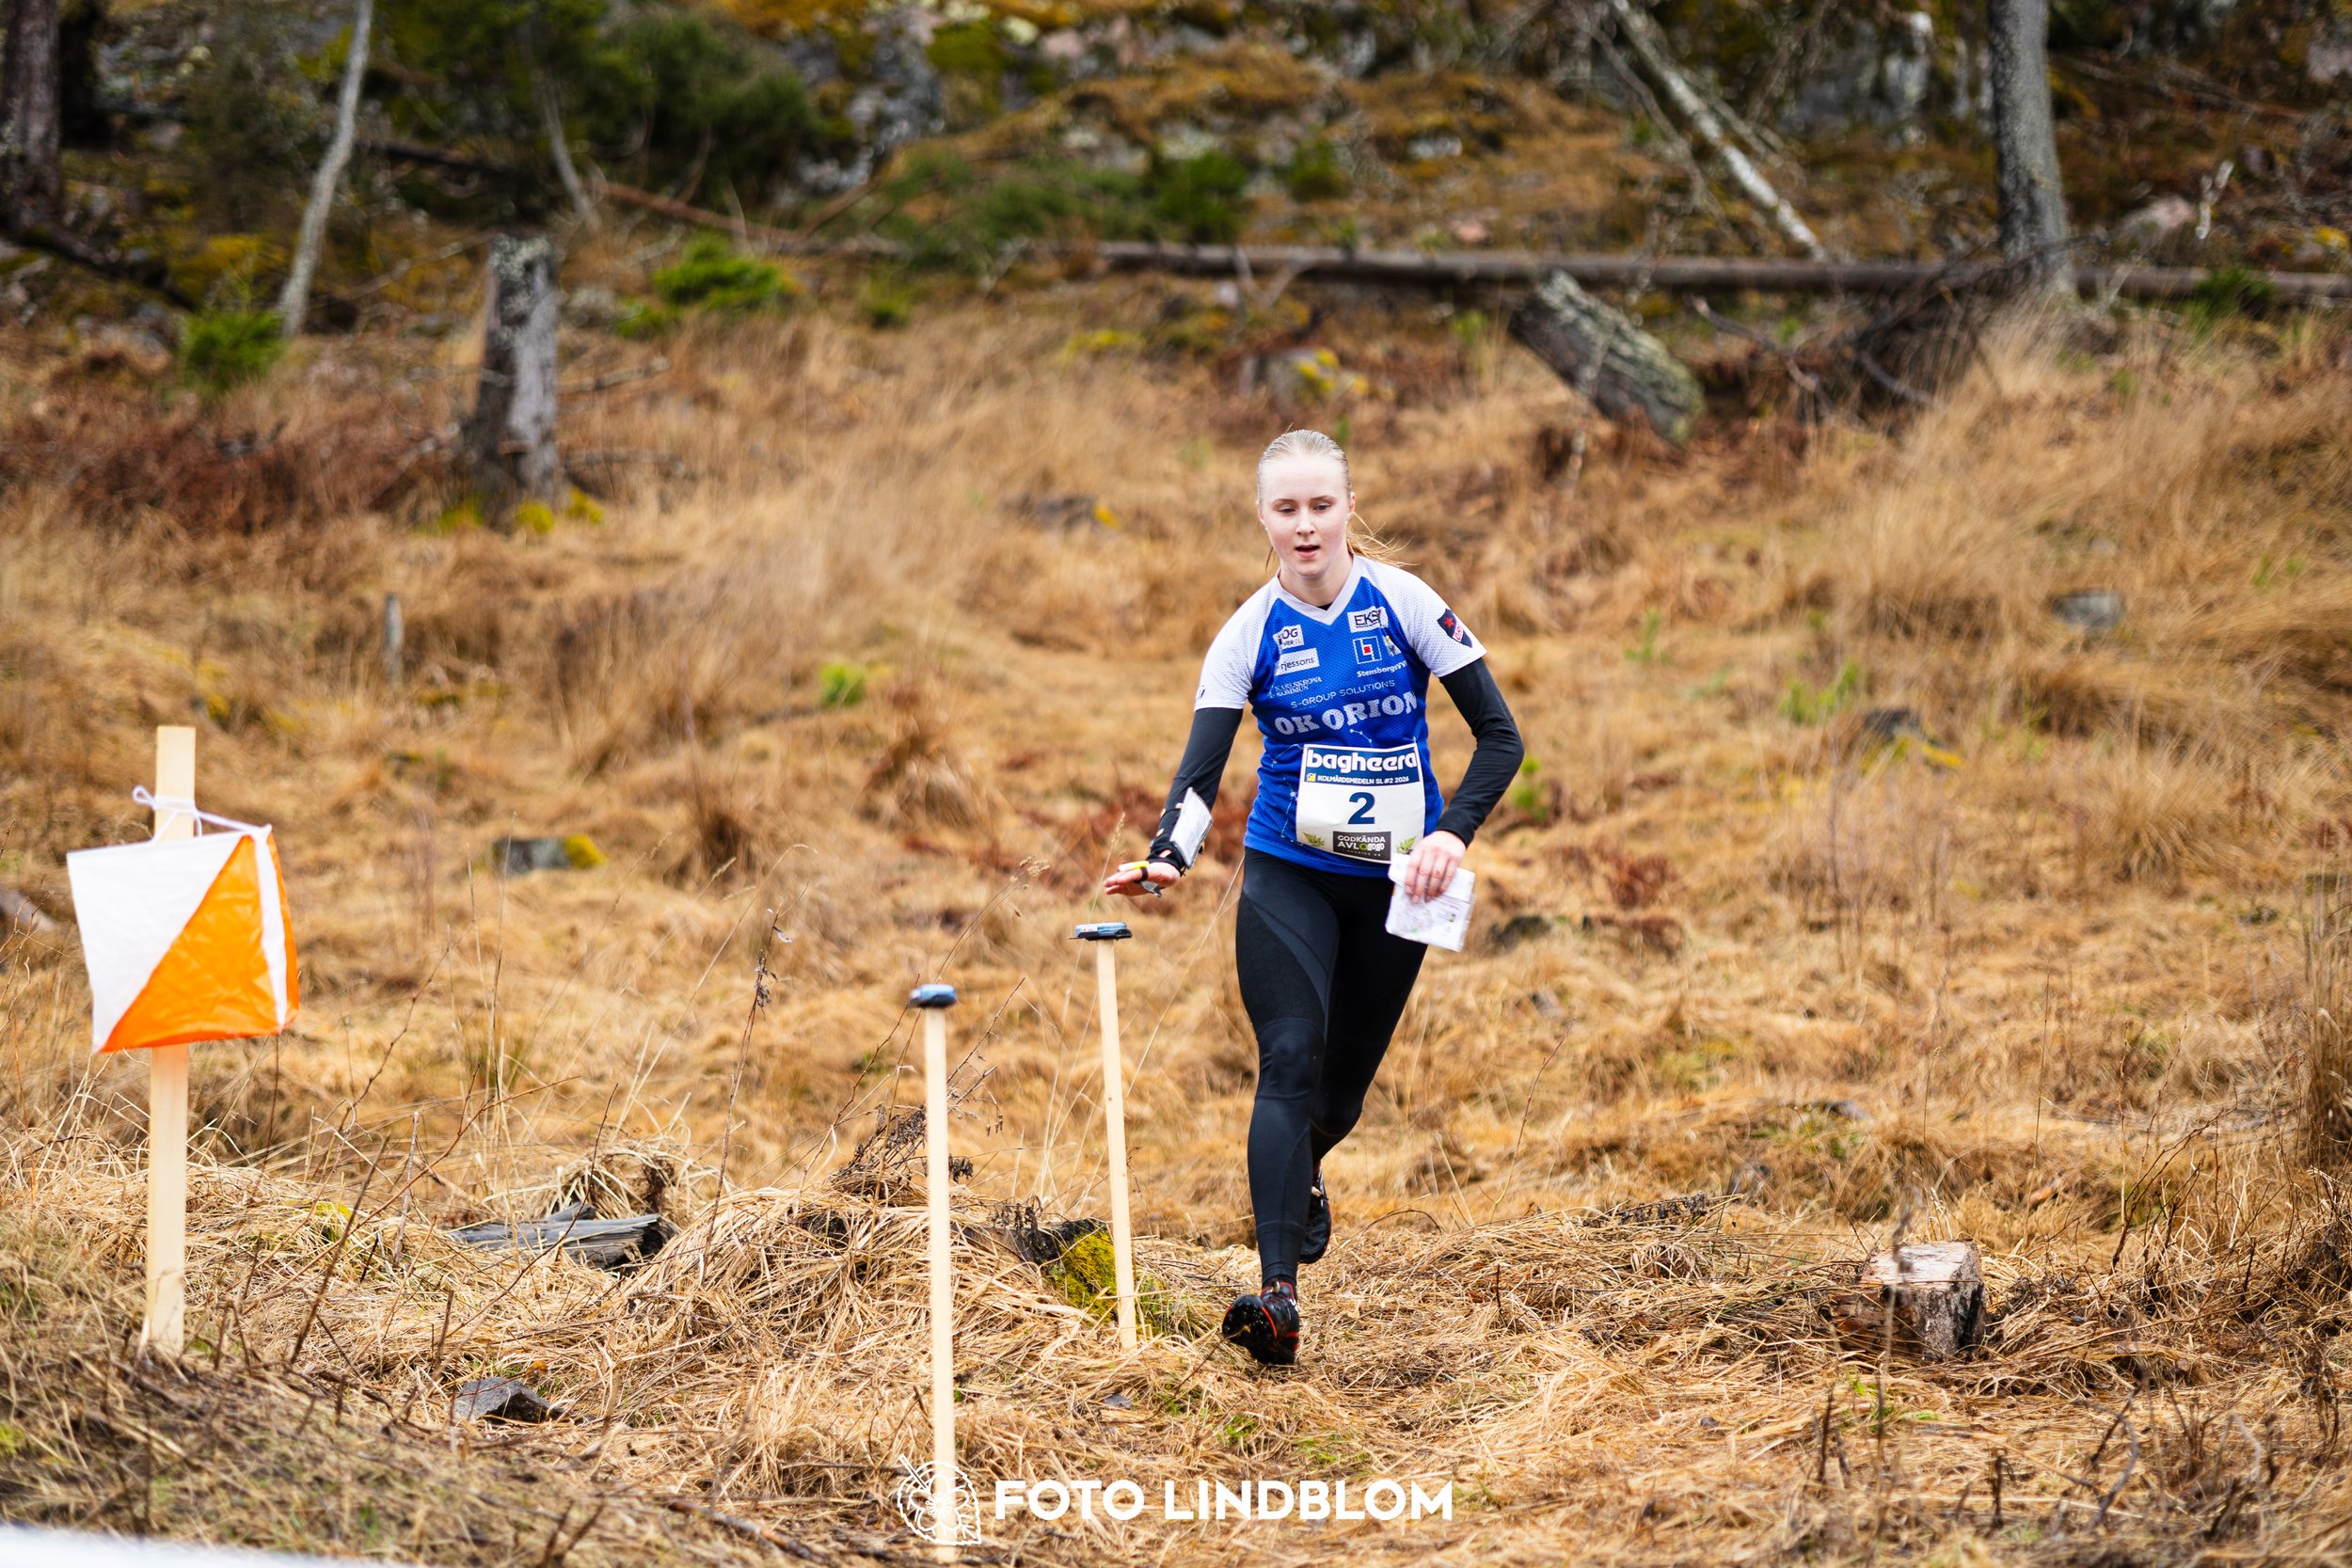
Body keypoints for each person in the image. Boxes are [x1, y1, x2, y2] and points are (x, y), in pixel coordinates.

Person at [1103, 429, 1524, 1365]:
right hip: (1287, 871)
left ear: (1346, 507)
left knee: (1336, 1098)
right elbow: (1199, 772)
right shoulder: (1246, 631)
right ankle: (1277, 1293)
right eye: (1284, 508)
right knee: (1288, 1059)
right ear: (1263, 517)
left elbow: (1500, 738)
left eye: (1320, 505)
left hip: (1395, 881)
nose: (1304, 525)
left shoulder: (1405, 600)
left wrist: (1449, 832)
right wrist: (1166, 856)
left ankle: (1307, 1174)